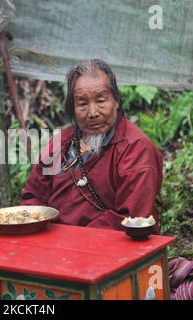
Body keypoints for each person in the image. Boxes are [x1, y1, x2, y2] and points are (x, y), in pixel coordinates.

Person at [21, 59, 163, 232]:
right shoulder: (61, 144)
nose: (93, 113)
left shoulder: (136, 149)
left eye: (101, 101)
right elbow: (33, 196)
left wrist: (75, 241)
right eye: (82, 103)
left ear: (116, 101)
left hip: (110, 248)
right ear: (72, 108)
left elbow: (132, 218)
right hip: (53, 245)